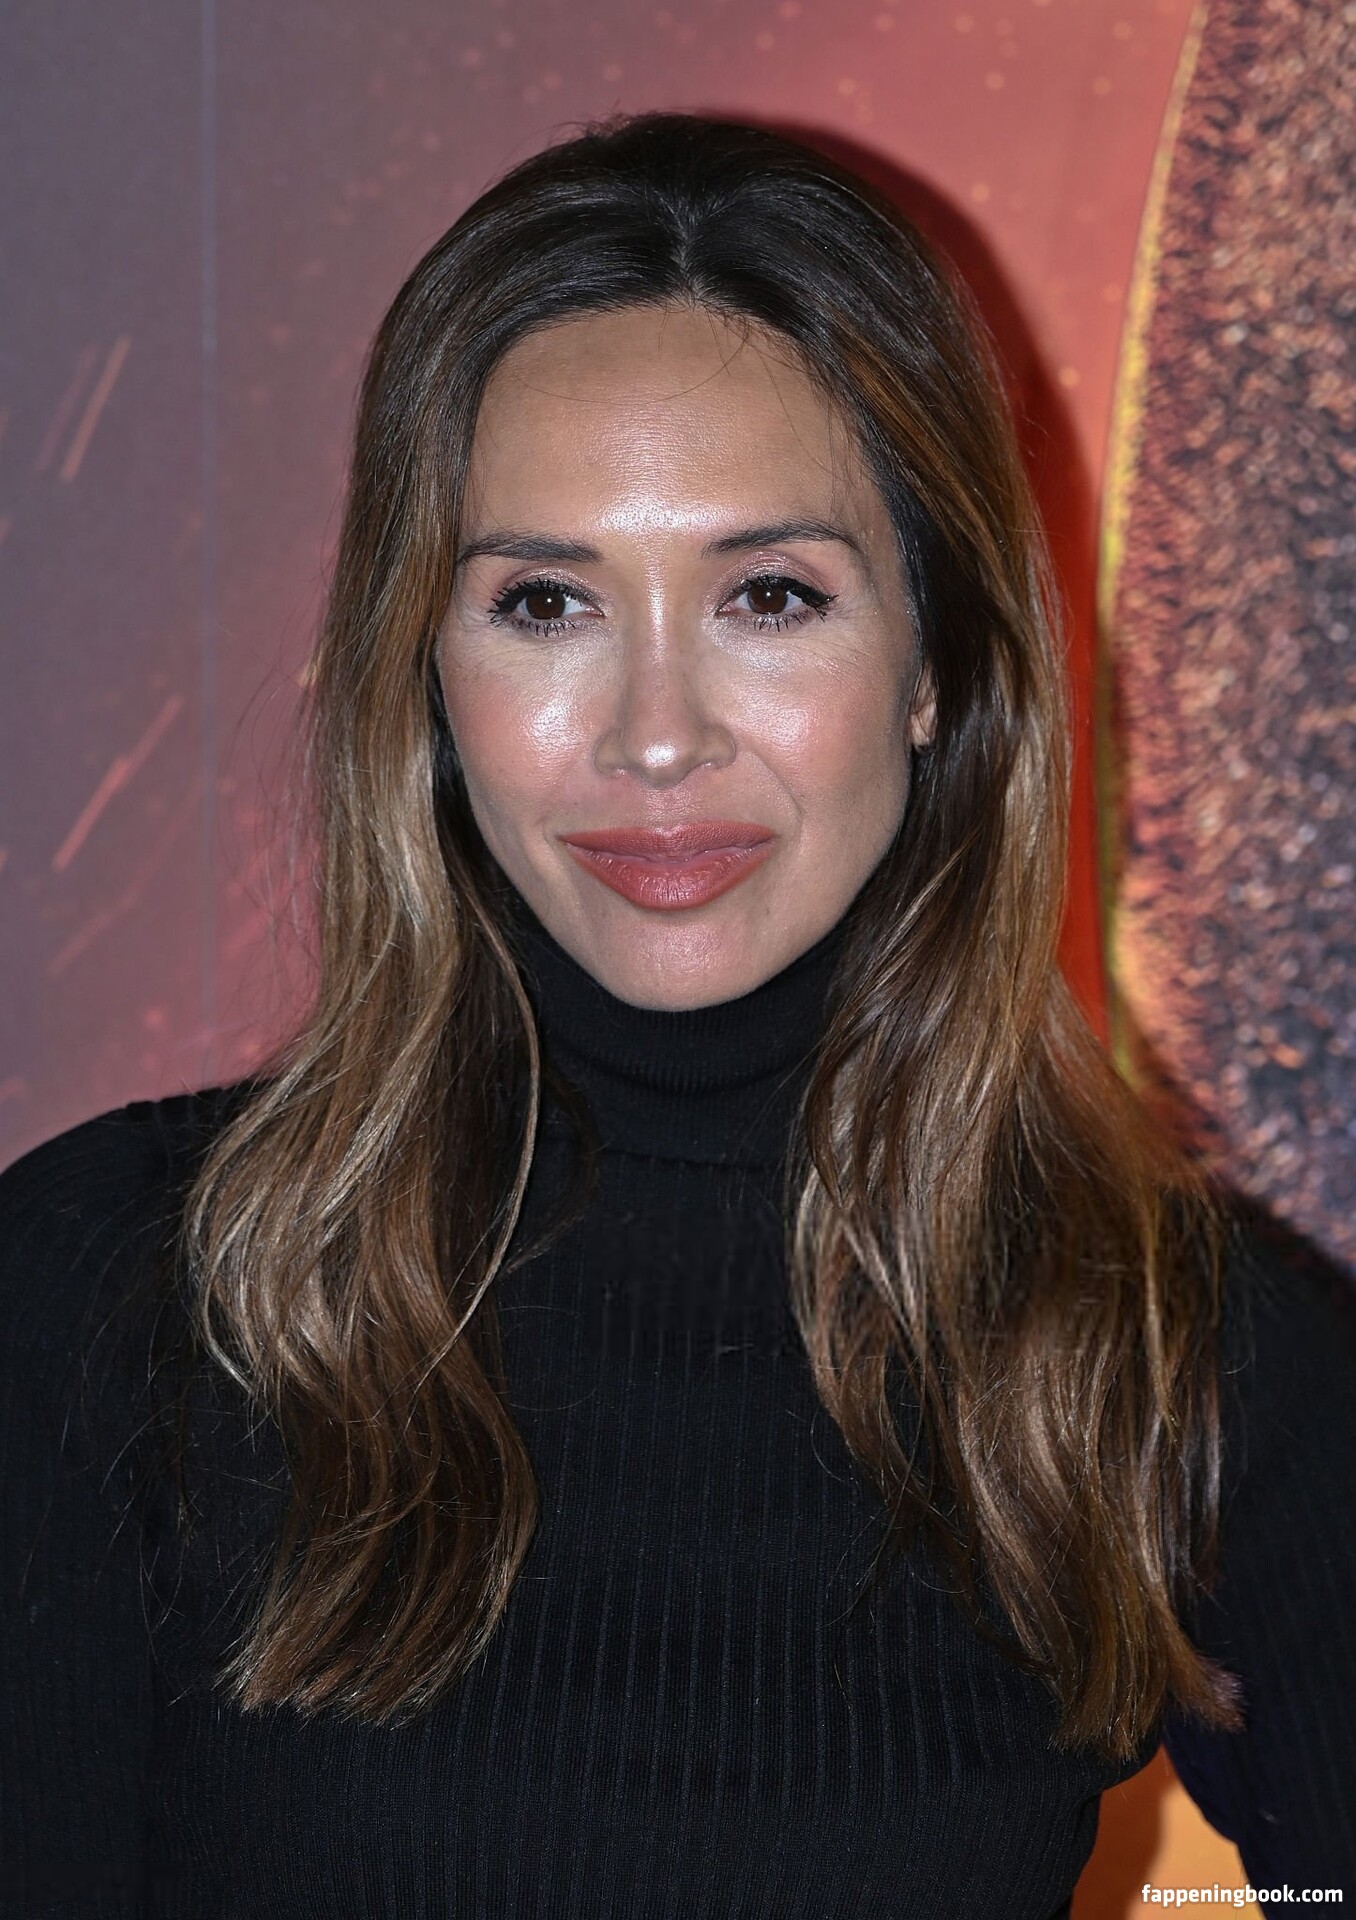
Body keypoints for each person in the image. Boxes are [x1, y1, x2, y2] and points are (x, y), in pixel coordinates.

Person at [2, 112, 1353, 1919]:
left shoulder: (1176, 1352)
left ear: (938, 662)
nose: (656, 737)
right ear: (428, 673)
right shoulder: (111, 1293)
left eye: (769, 597)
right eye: (545, 602)